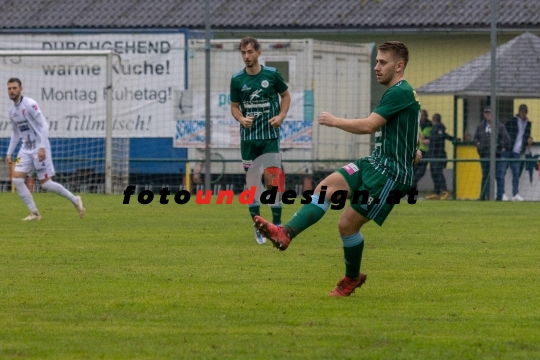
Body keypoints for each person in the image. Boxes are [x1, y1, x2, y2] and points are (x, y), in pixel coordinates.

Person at [255, 41, 421, 296]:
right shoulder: (400, 92)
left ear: (399, 66)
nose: (376, 67)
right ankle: (285, 232)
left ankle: (351, 278)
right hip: (374, 162)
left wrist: (333, 121)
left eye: (383, 62)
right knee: (325, 187)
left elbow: (369, 126)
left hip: (389, 175)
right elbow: (414, 131)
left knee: (347, 225)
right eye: (376, 61)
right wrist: (413, 150)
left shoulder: (400, 91)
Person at [230, 37, 291, 245]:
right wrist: (240, 118)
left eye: (249, 52)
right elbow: (235, 106)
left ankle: (277, 226)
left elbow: (286, 96)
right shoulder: (237, 80)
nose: (246, 57)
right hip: (248, 139)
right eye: (243, 53)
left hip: (270, 137)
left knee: (273, 181)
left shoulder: (272, 75)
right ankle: (258, 227)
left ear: (258, 53)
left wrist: (281, 116)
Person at [5, 78, 85, 220]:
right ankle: (34, 213)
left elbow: (44, 126)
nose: (12, 91)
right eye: (9, 88)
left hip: (39, 147)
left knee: (46, 184)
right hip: (25, 148)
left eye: (14, 88)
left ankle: (75, 200)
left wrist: (42, 147)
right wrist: (9, 153)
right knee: (17, 179)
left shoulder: (29, 104)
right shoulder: (12, 111)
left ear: (20, 89)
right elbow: (16, 133)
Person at [473, 107, 511, 201]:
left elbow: (507, 139)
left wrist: (500, 147)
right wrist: (478, 144)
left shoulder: (500, 126)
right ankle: (483, 197)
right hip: (484, 155)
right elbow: (475, 138)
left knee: (499, 176)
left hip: (497, 155)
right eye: (486, 113)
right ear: (484, 114)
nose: (488, 115)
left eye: (489, 113)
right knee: (485, 176)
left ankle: (499, 197)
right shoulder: (480, 126)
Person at [503, 104, 532, 201]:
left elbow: (527, 135)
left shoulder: (528, 124)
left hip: (517, 152)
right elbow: (504, 133)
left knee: (516, 173)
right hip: (508, 150)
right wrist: (503, 145)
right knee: (502, 171)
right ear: (519, 111)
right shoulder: (512, 121)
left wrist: (530, 139)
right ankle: (502, 193)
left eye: (524, 111)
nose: (522, 113)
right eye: (521, 111)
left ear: (526, 112)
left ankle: (515, 194)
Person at [425, 113, 456, 200]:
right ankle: (436, 192)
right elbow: (445, 136)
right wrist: (454, 139)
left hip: (437, 156)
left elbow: (434, 140)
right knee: (434, 173)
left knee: (438, 173)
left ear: (433, 120)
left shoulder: (438, 129)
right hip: (434, 156)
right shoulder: (438, 129)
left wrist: (426, 140)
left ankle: (445, 191)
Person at [413, 109, 432, 189]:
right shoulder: (415, 123)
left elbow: (433, 136)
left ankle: (412, 183)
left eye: (424, 116)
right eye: (421, 116)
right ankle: (412, 188)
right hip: (416, 150)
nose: (422, 118)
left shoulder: (430, 124)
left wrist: (427, 139)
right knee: (414, 170)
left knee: (421, 171)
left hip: (425, 151)